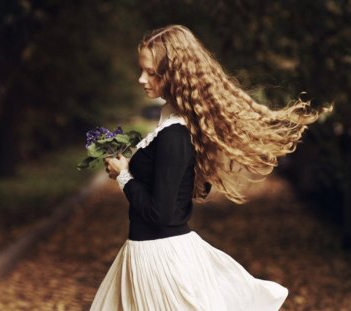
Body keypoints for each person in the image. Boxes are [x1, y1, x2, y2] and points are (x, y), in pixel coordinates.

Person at [90, 24, 331, 310]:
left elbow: (161, 213)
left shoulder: (174, 135)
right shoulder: (172, 122)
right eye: (142, 69)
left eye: (152, 72)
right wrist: (133, 167)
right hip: (148, 252)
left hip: (159, 259)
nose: (142, 79)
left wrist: (124, 175)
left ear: (176, 75)